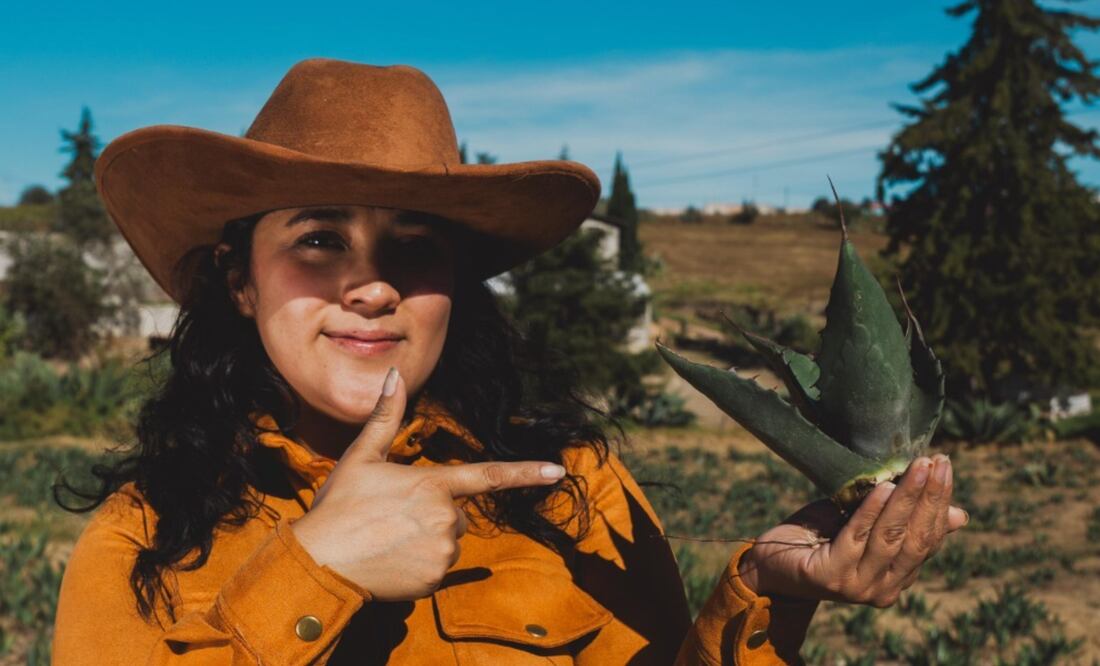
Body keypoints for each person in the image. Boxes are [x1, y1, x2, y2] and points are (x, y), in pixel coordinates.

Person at [52, 58, 967, 665]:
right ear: (239, 282)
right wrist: (312, 568)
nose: (372, 287)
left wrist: (769, 592)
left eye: (414, 245)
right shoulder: (140, 540)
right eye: (320, 239)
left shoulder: (574, 488)